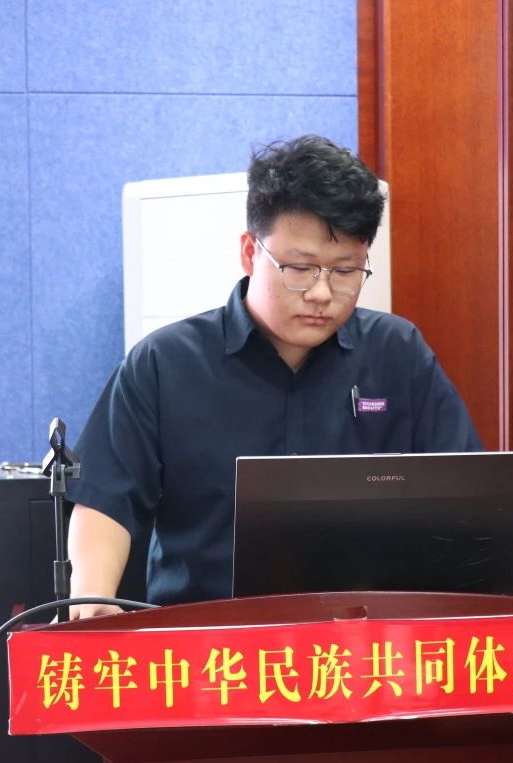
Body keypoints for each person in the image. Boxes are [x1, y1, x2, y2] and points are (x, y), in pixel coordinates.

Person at [68, 134, 481, 619]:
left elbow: (467, 497)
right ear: (250, 252)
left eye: (345, 271)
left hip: (365, 646)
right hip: (206, 644)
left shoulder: (399, 354)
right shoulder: (165, 364)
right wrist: (92, 598)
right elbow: (106, 499)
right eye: (300, 268)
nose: (322, 294)